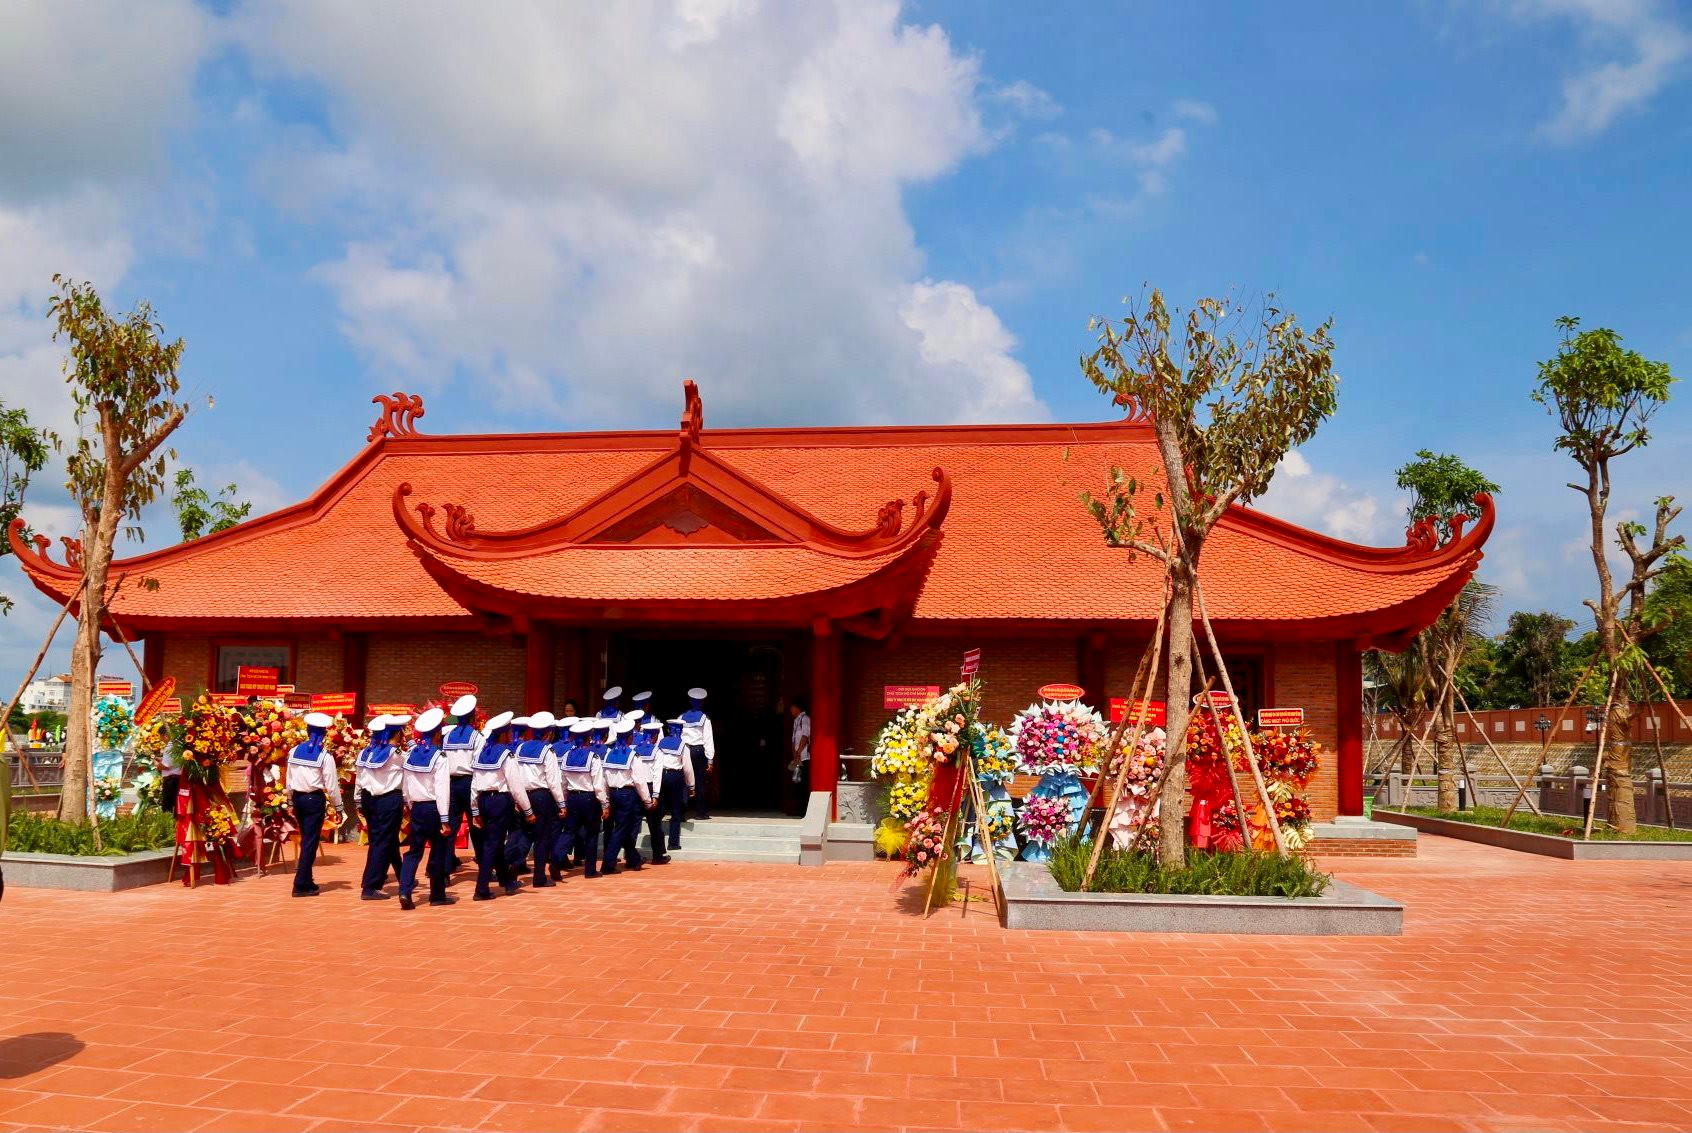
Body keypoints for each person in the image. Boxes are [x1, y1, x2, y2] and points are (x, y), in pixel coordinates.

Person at [397, 707, 454, 910]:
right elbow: (442, 790)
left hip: (417, 808)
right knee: (438, 851)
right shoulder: (440, 757)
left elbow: (406, 783)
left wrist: (409, 804)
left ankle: (404, 890)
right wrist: (445, 819)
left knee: (414, 852)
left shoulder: (411, 753)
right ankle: (437, 895)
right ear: (438, 732)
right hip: (434, 809)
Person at [470, 712, 527, 901]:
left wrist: (475, 809)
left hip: (483, 800)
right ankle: (481, 888)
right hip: (500, 801)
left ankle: (507, 881)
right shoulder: (506, 754)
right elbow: (516, 785)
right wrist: (527, 809)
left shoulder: (480, 754)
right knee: (492, 844)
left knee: (494, 842)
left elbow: (474, 784)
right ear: (504, 734)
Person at [286, 711, 342, 897]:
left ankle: (307, 880)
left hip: (298, 798)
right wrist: (339, 806)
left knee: (306, 839)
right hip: (314, 799)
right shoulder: (325, 756)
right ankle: (301, 883)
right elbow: (332, 785)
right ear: (324, 734)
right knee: (310, 841)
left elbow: (289, 778)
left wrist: (289, 800)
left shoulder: (294, 751)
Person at [508, 711, 563, 889]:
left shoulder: (520, 748)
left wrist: (517, 797)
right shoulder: (548, 751)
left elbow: (514, 775)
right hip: (542, 796)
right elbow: (553, 781)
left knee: (525, 833)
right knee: (542, 838)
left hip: (524, 794)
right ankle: (539, 877)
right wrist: (561, 803)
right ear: (549, 732)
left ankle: (515, 866)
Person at [355, 715, 408, 900]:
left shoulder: (365, 752)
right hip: (389, 800)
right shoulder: (397, 755)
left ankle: (402, 877)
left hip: (368, 799)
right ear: (397, 733)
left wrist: (358, 801)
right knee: (382, 842)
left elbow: (359, 779)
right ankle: (371, 886)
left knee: (381, 839)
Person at [555, 718, 608, 878]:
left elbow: (562, 782)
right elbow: (598, 784)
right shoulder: (593, 757)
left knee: (569, 832)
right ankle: (590, 870)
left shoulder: (566, 756)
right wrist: (605, 804)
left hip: (572, 798)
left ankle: (556, 861)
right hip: (589, 799)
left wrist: (563, 802)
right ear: (589, 738)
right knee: (592, 833)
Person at [440, 693, 482, 873]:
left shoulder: (447, 736)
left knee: (451, 826)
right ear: (473, 715)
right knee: (477, 824)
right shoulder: (477, 737)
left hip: (451, 783)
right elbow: (479, 765)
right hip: (470, 783)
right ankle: (483, 863)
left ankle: (445, 868)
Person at [601, 718, 649, 873]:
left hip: (613, 793)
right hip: (627, 794)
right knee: (621, 829)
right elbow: (640, 781)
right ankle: (608, 863)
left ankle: (634, 859)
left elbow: (604, 779)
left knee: (624, 828)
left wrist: (606, 799)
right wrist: (647, 800)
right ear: (630, 738)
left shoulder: (608, 754)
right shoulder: (633, 755)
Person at [633, 718, 670, 863]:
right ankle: (657, 856)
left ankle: (632, 857)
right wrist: (655, 795)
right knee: (654, 825)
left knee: (635, 824)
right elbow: (657, 775)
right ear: (655, 736)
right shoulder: (657, 751)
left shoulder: (635, 750)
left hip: (636, 788)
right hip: (650, 788)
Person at [655, 717, 694, 850]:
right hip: (675, 776)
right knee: (676, 810)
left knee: (661, 807)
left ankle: (656, 835)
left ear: (669, 729)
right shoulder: (683, 745)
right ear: (681, 731)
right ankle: (673, 843)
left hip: (661, 775)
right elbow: (688, 768)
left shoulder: (660, 743)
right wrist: (691, 786)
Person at [680, 688, 715, 820]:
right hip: (698, 751)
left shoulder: (681, 717)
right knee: (700, 781)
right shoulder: (705, 719)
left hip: (685, 750)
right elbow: (708, 739)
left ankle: (681, 811)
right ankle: (700, 812)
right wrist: (710, 760)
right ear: (702, 702)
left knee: (684, 781)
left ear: (690, 701)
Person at [787, 698, 812, 817]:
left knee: (803, 783)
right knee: (796, 781)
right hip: (797, 757)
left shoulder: (805, 719)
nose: (790, 710)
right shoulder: (796, 721)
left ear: (798, 708)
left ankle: (804, 809)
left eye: (792, 707)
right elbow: (793, 739)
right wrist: (794, 754)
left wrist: (799, 752)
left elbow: (805, 735)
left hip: (804, 756)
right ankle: (797, 808)